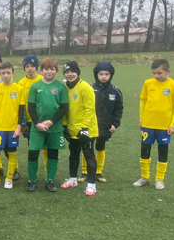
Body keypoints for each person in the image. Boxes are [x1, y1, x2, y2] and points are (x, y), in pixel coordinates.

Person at [134, 59, 174, 190]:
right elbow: (143, 101)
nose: (156, 76)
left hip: (164, 126)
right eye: (154, 73)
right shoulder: (148, 83)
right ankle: (144, 177)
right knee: (145, 150)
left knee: (163, 151)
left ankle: (159, 179)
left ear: (168, 71)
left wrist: (173, 124)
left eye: (159, 73)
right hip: (148, 124)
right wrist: (142, 119)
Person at [26, 58, 68, 192]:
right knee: (33, 153)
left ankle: (49, 181)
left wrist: (51, 122)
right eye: (46, 69)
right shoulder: (35, 87)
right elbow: (31, 107)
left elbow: (63, 108)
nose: (49, 71)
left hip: (55, 128)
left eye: (52, 69)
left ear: (56, 70)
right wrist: (37, 123)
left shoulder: (61, 87)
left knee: (53, 154)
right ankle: (32, 180)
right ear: (41, 71)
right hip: (37, 128)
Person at [59, 61, 99, 197]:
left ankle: (91, 185)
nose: (70, 74)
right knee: (73, 154)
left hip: (86, 130)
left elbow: (90, 109)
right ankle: (72, 179)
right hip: (72, 129)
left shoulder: (85, 87)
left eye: (72, 71)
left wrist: (84, 128)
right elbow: (65, 109)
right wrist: (65, 125)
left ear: (78, 72)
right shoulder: (65, 88)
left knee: (88, 155)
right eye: (67, 72)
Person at [0, 62, 25, 190]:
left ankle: (9, 179)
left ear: (13, 73)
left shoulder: (19, 89)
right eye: (3, 73)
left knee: (11, 153)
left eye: (8, 72)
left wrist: (19, 127)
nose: (6, 75)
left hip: (13, 128)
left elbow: (21, 110)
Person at [83, 61, 123, 183]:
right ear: (96, 75)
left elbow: (118, 110)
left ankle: (99, 172)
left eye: (106, 74)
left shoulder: (115, 91)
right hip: (90, 125)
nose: (104, 77)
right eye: (101, 74)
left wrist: (115, 124)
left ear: (111, 75)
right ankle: (85, 171)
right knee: (87, 147)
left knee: (100, 146)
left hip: (105, 125)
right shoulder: (90, 88)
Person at [18, 54, 44, 174]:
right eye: (27, 66)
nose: (30, 68)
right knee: (32, 148)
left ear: (36, 67)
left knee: (46, 148)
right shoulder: (21, 83)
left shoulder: (42, 80)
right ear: (24, 68)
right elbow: (20, 104)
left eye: (32, 66)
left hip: (42, 119)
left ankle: (47, 173)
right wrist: (23, 123)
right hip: (29, 121)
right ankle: (32, 175)